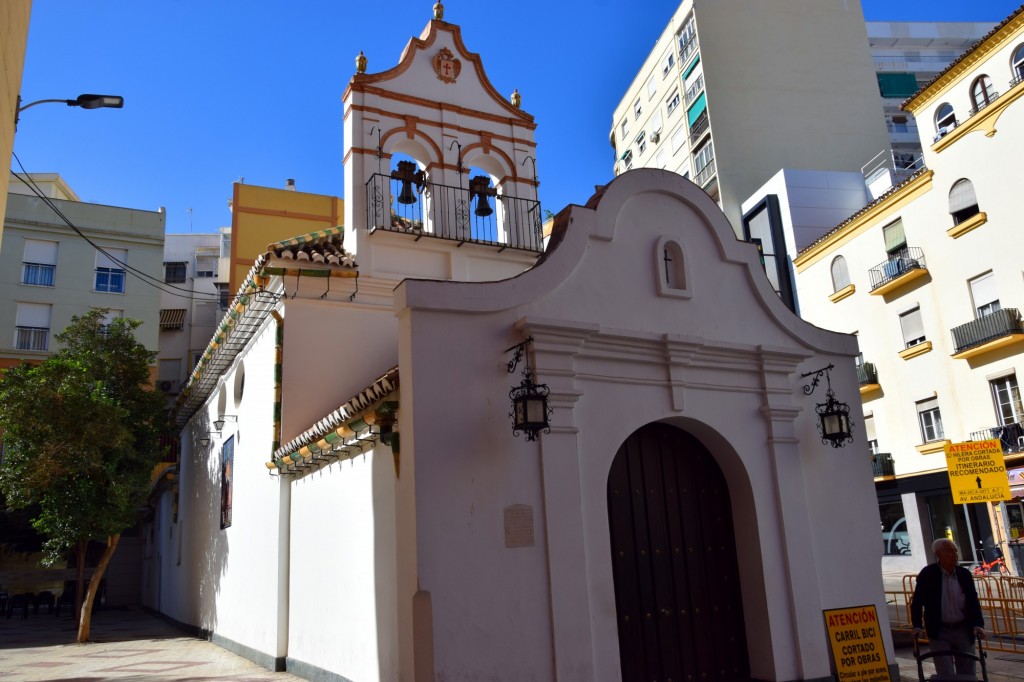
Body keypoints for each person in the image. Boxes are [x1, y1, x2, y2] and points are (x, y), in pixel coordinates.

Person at [911, 538, 986, 677]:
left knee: (967, 673)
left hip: (963, 629)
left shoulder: (964, 574)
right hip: (939, 631)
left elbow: (973, 601)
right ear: (938, 555)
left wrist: (978, 624)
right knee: (945, 674)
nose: (954, 555)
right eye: (949, 551)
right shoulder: (928, 574)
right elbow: (917, 602)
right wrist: (917, 626)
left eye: (955, 551)